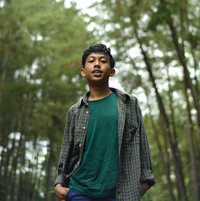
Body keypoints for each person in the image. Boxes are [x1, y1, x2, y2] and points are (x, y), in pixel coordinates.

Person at [54, 44, 155, 201]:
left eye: (103, 61)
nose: (97, 64)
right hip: (79, 191)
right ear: (83, 71)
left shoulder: (129, 104)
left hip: (120, 194)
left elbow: (142, 146)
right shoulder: (75, 111)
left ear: (112, 71)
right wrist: (59, 184)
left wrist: (144, 183)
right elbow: (66, 152)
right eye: (91, 61)